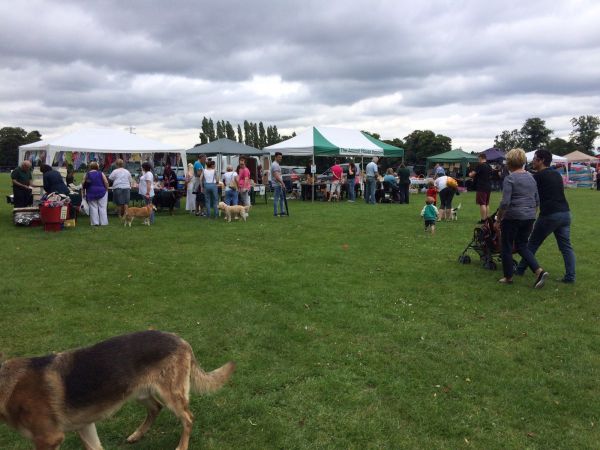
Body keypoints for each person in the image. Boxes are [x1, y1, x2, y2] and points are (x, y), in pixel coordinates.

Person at [515, 149, 576, 283]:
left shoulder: (538, 176)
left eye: (535, 158)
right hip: (565, 213)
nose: (533, 161)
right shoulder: (556, 174)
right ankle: (570, 277)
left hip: (550, 215)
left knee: (532, 243)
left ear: (541, 160)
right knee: (566, 247)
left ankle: (520, 270)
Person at [496, 148, 548, 287]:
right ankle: (538, 271)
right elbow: (537, 199)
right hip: (529, 216)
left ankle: (508, 277)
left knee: (506, 246)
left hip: (512, 216)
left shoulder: (510, 178)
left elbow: (505, 202)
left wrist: (498, 219)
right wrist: (532, 214)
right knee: (522, 245)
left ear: (509, 163)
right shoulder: (531, 177)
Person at [82, 161, 109, 226]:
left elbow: (83, 184)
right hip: (102, 191)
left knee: (93, 207)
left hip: (90, 192)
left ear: (90, 167)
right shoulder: (101, 173)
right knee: (102, 207)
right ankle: (104, 222)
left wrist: (83, 192)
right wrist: (106, 189)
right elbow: (106, 182)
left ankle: (95, 223)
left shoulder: (87, 174)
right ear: (97, 167)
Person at [469, 153, 492, 222]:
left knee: (482, 203)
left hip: (481, 186)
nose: (478, 159)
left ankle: (483, 219)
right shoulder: (489, 166)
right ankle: (487, 219)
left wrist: (470, 174)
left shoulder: (480, 165)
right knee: (487, 203)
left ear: (481, 158)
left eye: (478, 158)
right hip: (488, 186)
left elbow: (472, 174)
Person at [271, 152, 286, 216]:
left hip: (278, 184)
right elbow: (276, 176)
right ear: (275, 157)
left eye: (281, 157)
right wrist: (282, 183)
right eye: (279, 157)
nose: (280, 158)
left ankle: (282, 211)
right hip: (277, 184)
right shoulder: (275, 165)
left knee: (282, 198)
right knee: (276, 198)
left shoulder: (276, 164)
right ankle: (276, 213)